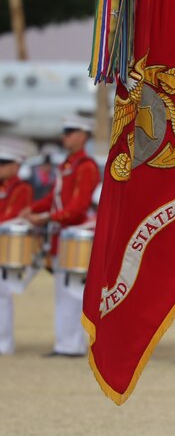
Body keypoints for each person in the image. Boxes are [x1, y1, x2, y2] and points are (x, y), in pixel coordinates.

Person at [26, 118, 100, 357]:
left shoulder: (85, 166)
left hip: (76, 235)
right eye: (65, 133)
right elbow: (54, 197)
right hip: (62, 234)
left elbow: (78, 206)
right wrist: (33, 209)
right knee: (62, 292)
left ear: (83, 136)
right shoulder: (68, 164)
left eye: (70, 132)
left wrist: (48, 218)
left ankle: (73, 345)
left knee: (73, 291)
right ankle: (64, 343)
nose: (65, 137)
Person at [0, 142, 34, 355]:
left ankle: (4, 344)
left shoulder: (21, 188)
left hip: (9, 246)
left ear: (17, 165)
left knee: (3, 294)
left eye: (5, 163)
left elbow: (12, 214)